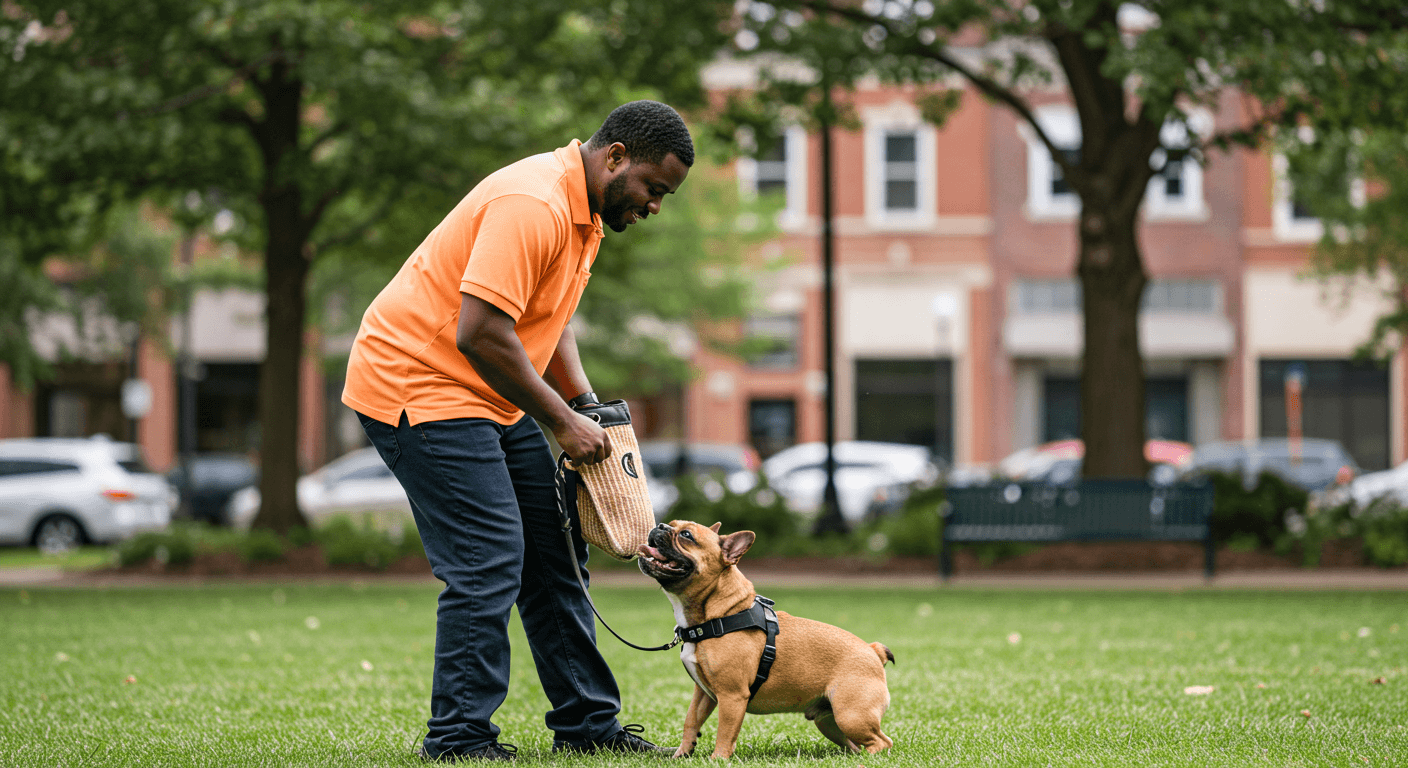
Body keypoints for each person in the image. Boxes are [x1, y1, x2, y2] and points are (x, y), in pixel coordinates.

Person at [342, 100, 693, 761]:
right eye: (654, 189)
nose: (653, 206)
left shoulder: (584, 213)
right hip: (416, 381)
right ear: (615, 157)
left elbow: (546, 318)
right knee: (488, 556)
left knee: (553, 550)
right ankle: (458, 737)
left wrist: (583, 402)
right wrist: (559, 420)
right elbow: (480, 333)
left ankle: (587, 725)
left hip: (484, 393)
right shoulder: (534, 203)